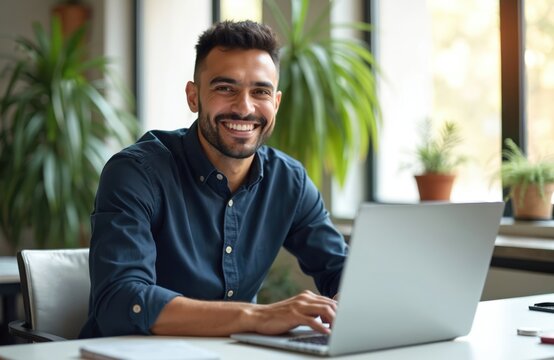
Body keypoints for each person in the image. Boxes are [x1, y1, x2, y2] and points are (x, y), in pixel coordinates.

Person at [79, 20, 347, 338]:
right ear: (194, 97)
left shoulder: (289, 181)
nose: (244, 108)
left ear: (275, 103)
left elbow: (342, 271)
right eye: (225, 88)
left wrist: (353, 299)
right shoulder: (135, 173)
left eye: (260, 91)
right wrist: (257, 316)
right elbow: (121, 302)